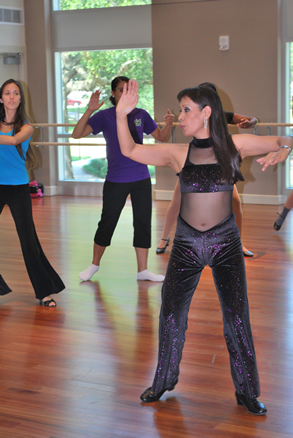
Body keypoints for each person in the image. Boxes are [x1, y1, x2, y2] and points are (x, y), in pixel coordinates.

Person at [116, 79, 292, 415]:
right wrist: (122, 116)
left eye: (186, 110)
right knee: (170, 314)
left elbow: (286, 138)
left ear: (205, 112)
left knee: (236, 318)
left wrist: (284, 148)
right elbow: (130, 151)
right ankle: (162, 381)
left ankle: (247, 391)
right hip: (185, 245)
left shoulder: (234, 146)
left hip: (226, 243)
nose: (180, 117)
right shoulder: (177, 152)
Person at [72, 76, 174, 282]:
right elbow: (77, 134)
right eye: (120, 90)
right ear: (113, 93)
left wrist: (169, 124)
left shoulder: (141, 115)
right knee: (107, 222)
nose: (124, 93)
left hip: (141, 178)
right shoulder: (105, 116)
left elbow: (160, 137)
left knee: (143, 222)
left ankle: (143, 270)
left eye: (127, 89)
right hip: (116, 179)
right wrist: (90, 109)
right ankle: (94, 265)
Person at [156, 82, 258, 258]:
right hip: (193, 166)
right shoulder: (195, 117)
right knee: (176, 202)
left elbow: (252, 119)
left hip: (218, 169)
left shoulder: (222, 116)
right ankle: (164, 239)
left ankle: (237, 243)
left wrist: (250, 122)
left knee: (235, 203)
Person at [0, 79, 65, 306]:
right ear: (1, 98)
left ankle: (44, 291)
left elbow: (14, 140)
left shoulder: (26, 126)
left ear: (20, 98)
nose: (11, 97)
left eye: (15, 93)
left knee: (29, 241)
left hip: (18, 187)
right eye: (7, 93)